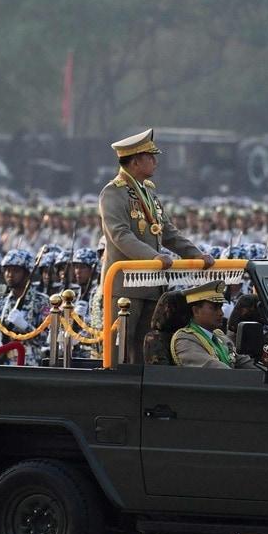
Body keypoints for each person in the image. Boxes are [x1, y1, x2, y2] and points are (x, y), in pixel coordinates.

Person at [98, 129, 212, 362]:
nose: (155, 162)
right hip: (125, 286)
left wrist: (197, 254)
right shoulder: (113, 193)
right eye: (151, 157)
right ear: (136, 160)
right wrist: (153, 256)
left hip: (152, 283)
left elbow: (167, 231)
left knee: (144, 347)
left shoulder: (148, 191)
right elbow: (120, 234)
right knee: (121, 346)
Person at [170, 281, 258, 369]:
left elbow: (244, 362)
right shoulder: (185, 339)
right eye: (215, 308)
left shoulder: (220, 337)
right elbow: (216, 370)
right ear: (196, 311)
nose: (221, 313)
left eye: (220, 307)